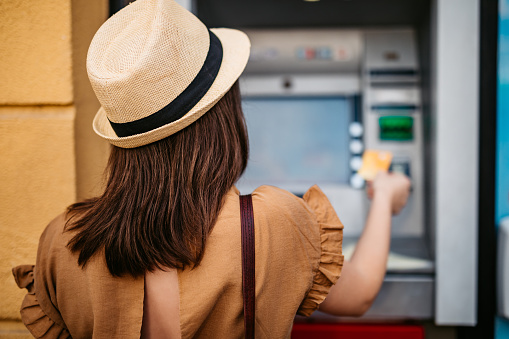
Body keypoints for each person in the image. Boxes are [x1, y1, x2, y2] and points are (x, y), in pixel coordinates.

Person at [12, 0, 411, 338]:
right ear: (224, 114)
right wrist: (384, 199)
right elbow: (358, 296)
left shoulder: (63, 243)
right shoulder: (271, 224)